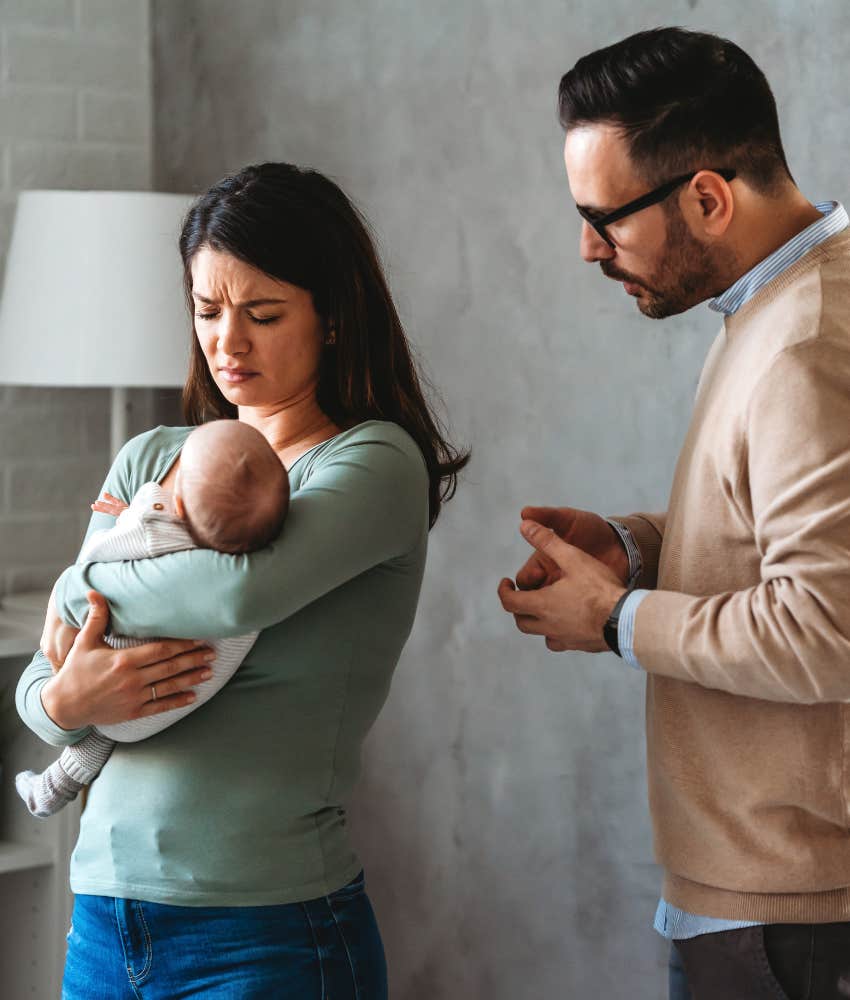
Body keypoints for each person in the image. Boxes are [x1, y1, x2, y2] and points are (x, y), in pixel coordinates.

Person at [16, 161, 468, 999]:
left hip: (267, 933)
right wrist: (68, 704)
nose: (228, 341)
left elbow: (236, 594)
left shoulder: (372, 462)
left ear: (332, 316)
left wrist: (79, 587)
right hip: (106, 923)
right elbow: (44, 682)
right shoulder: (151, 458)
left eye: (263, 314)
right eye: (207, 310)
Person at [497, 28, 850, 1000]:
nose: (585, 248)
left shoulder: (805, 342)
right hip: (765, 895)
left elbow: (828, 628)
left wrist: (612, 618)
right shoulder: (772, 308)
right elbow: (784, 541)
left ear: (705, 196)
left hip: (794, 913)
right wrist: (634, 546)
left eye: (603, 218)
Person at [16, 419, 289, 819]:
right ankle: (55, 783)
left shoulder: (155, 529)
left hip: (120, 692)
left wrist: (134, 513)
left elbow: (95, 560)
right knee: (100, 731)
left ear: (177, 504)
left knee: (97, 727)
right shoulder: (252, 564)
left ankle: (53, 786)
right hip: (180, 700)